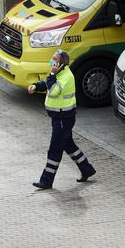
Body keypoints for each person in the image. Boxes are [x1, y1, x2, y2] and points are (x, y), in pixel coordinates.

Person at [27, 49, 96, 189]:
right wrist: (36, 86)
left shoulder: (65, 77)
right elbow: (47, 83)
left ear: (61, 63)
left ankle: (46, 181)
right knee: (68, 145)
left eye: (54, 59)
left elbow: (53, 90)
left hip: (63, 119)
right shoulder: (59, 73)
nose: (51, 61)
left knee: (55, 149)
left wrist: (52, 73)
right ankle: (87, 169)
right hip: (59, 117)